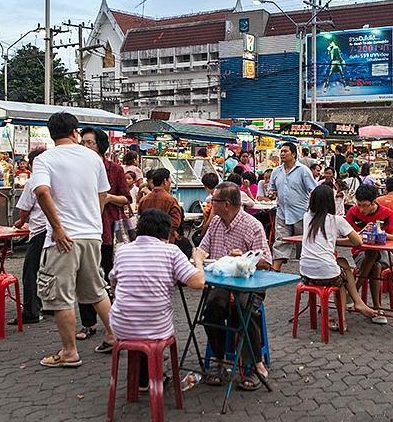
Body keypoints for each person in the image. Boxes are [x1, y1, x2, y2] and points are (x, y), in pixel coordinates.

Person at [31, 112, 115, 367]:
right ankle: (115, 336)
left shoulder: (45, 159)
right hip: (91, 234)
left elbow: (42, 192)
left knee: (61, 295)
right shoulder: (93, 157)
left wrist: (57, 227)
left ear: (51, 133)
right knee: (97, 290)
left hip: (63, 239)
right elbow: (104, 194)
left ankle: (69, 352)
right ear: (75, 132)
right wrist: (92, 219)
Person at [109, 209, 205, 391]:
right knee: (150, 321)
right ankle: (155, 377)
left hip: (121, 326)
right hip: (156, 328)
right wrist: (198, 260)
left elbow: (113, 279)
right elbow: (198, 282)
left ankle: (143, 380)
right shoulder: (171, 251)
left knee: (139, 316)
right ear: (167, 232)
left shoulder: (122, 250)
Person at [194, 182, 272, 389]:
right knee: (212, 308)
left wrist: (245, 258)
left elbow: (267, 262)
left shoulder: (252, 225)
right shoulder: (216, 224)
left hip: (250, 283)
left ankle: (255, 365)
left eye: (214, 201)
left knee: (244, 311)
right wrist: (199, 261)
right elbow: (201, 250)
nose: (211, 204)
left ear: (226, 204)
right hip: (222, 283)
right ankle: (219, 361)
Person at [77, 127, 131, 342]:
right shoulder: (78, 169)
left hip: (108, 230)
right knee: (83, 277)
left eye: (90, 142)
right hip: (84, 230)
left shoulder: (115, 169)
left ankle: (116, 323)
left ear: (100, 145)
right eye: (83, 142)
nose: (86, 146)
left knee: (111, 276)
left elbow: (126, 198)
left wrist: (108, 197)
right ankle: (88, 324)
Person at [299, 185, 378, 323]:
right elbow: (358, 241)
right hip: (326, 274)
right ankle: (349, 312)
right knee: (342, 279)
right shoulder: (336, 220)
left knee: (342, 263)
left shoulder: (307, 217)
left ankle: (355, 306)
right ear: (331, 202)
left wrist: (333, 241)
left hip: (305, 273)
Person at [344, 184, 393, 324]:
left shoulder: (387, 213)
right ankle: (377, 309)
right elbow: (345, 235)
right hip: (360, 252)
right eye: (359, 204)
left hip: (384, 253)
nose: (361, 209)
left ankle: (353, 293)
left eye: (365, 205)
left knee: (374, 253)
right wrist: (361, 234)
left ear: (374, 202)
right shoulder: (352, 212)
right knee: (374, 265)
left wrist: (378, 232)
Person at [269, 142, 317, 272]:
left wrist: (313, 210)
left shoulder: (303, 171)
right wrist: (272, 193)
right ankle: (275, 270)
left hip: (301, 214)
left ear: (294, 154)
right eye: (281, 152)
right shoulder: (276, 171)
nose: (282, 154)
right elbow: (271, 189)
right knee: (280, 241)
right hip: (282, 213)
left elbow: (314, 190)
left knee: (304, 244)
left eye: (286, 151)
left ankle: (307, 272)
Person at [12, 148, 47, 324]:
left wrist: (20, 222)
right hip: (57, 230)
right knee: (51, 270)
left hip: (40, 230)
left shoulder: (33, 181)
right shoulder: (55, 179)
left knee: (30, 271)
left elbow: (25, 209)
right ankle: (50, 306)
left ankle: (31, 311)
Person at [137, 168, 182, 243]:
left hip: (147, 241)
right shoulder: (171, 200)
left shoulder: (144, 200)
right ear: (165, 181)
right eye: (169, 179)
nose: (170, 181)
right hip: (165, 240)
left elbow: (140, 218)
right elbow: (176, 222)